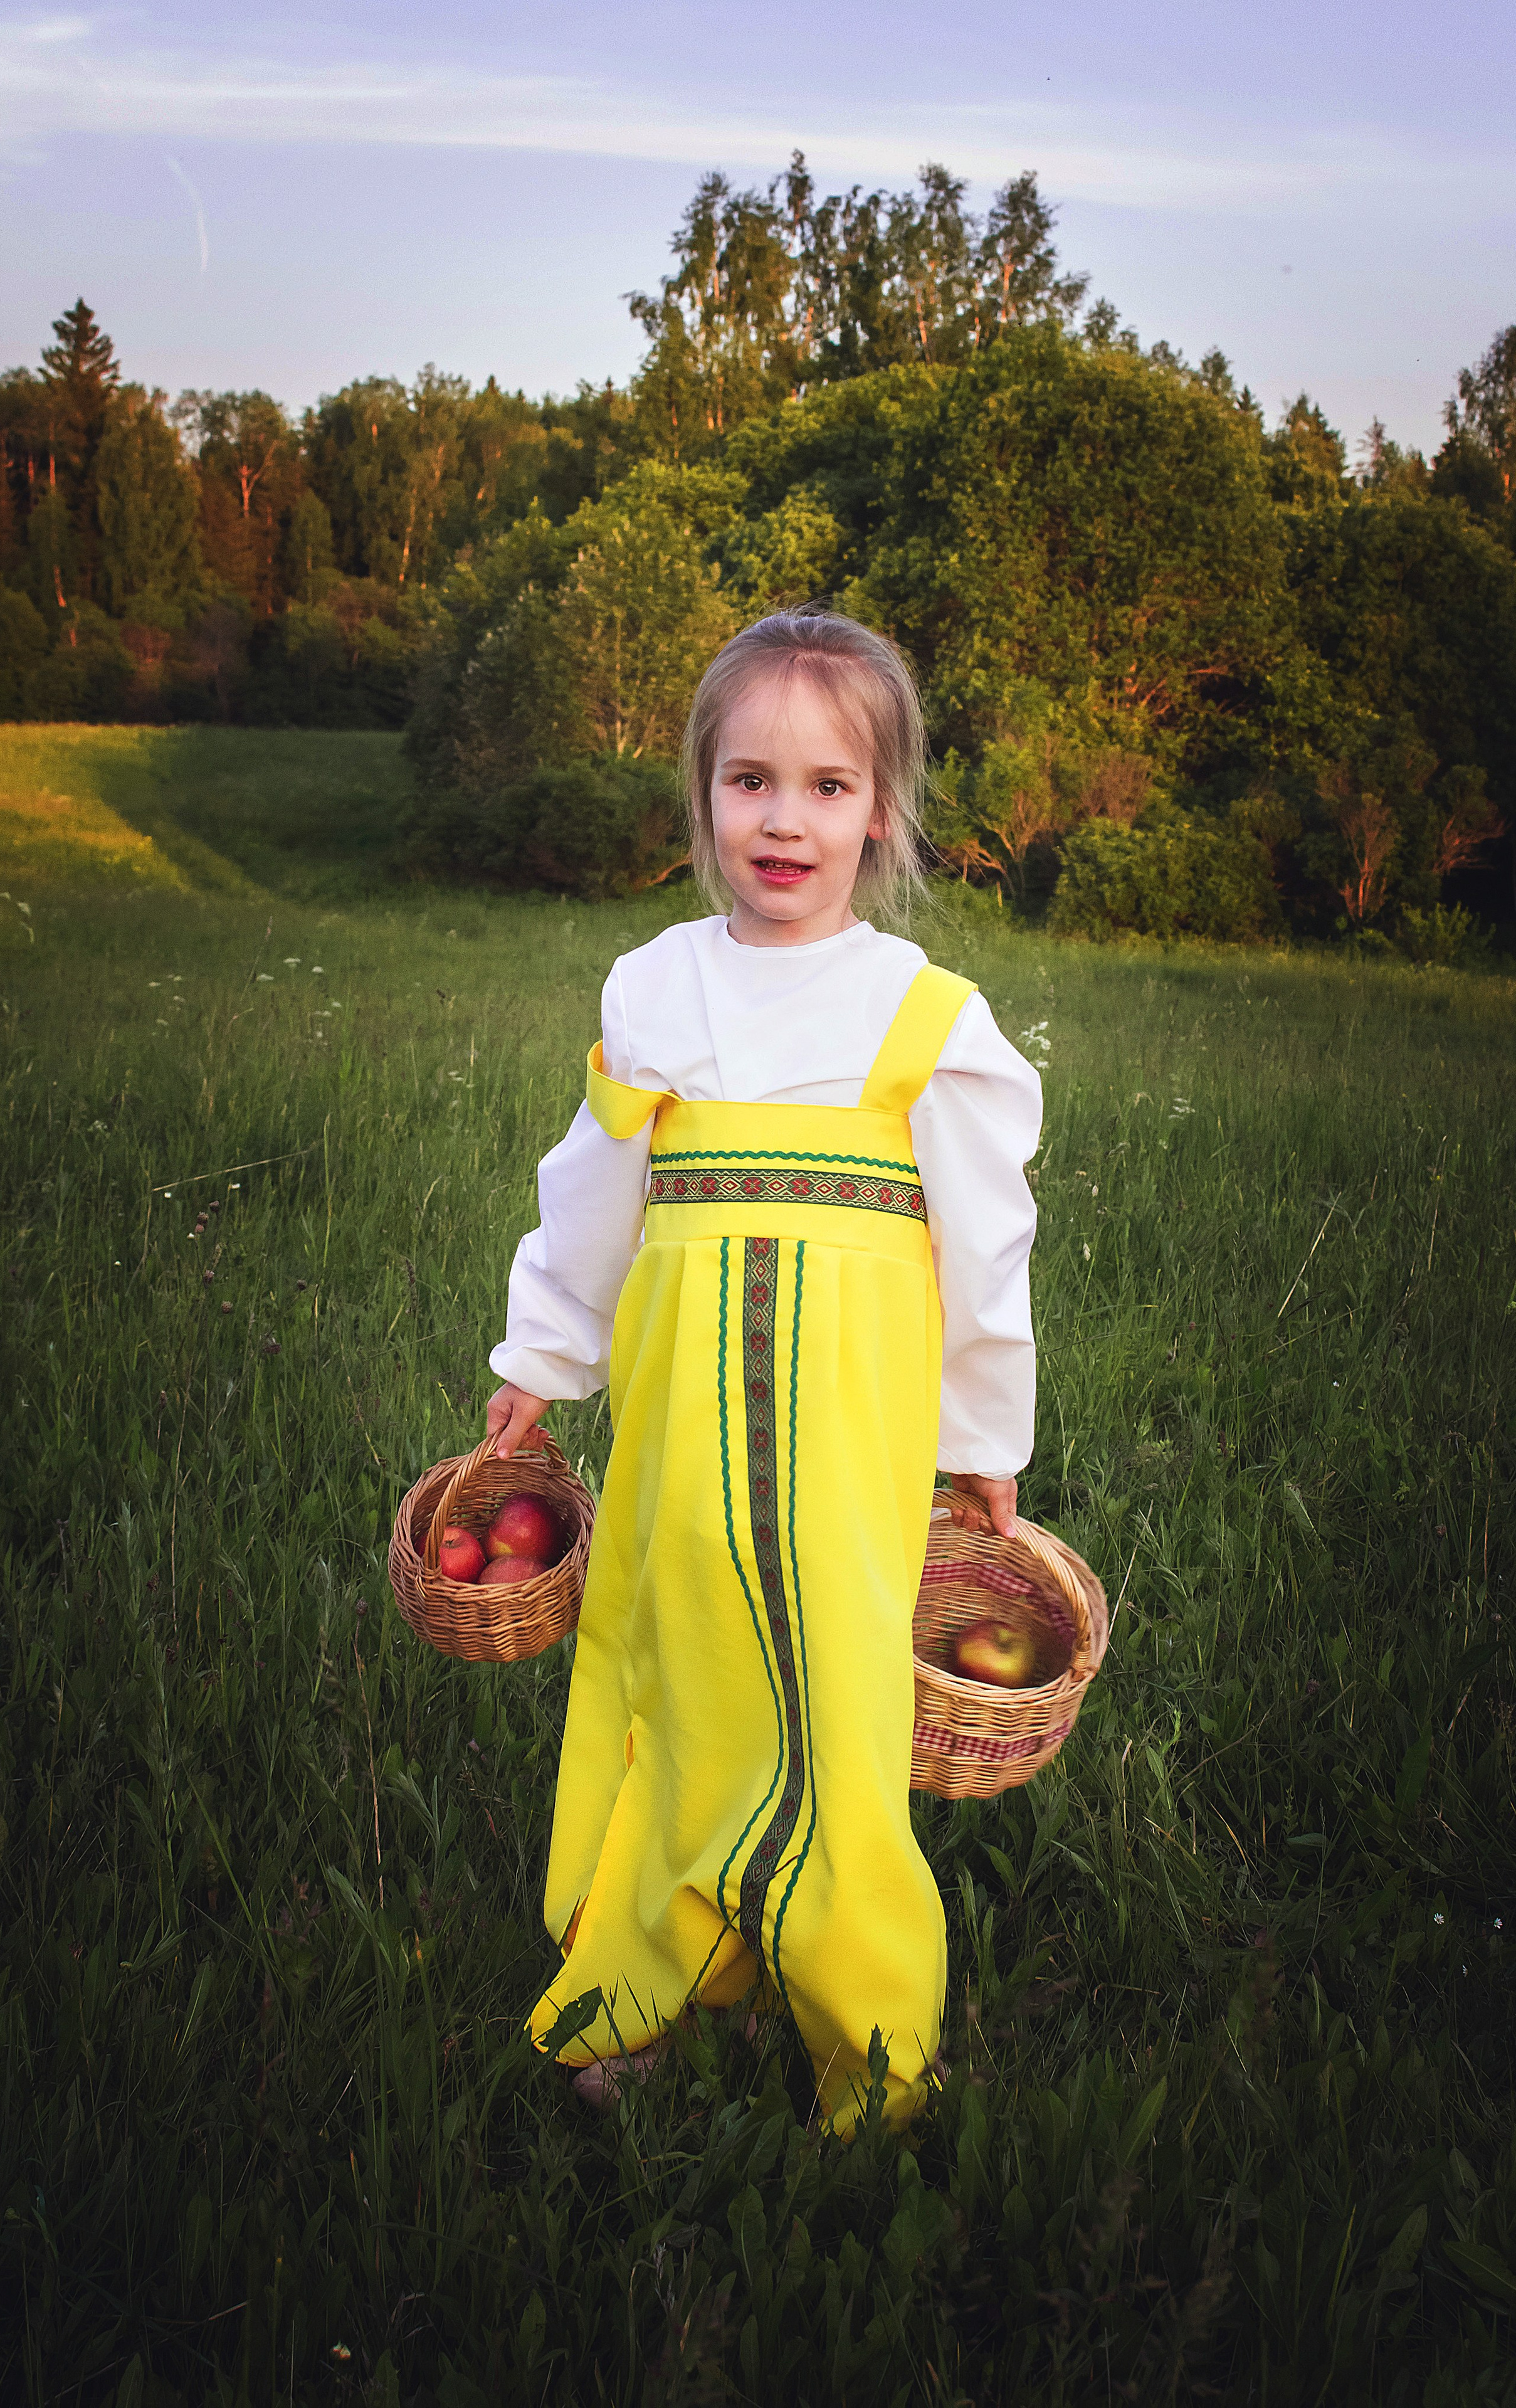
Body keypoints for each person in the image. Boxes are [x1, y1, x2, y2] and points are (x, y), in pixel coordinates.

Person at [485, 610, 1041, 2133]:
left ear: (881, 810)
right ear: (703, 798)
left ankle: (865, 2034)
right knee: (675, 1668)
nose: (783, 819)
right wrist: (541, 1354)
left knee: (835, 1692)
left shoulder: (924, 1017)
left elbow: (985, 1248)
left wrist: (982, 1432)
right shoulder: (655, 988)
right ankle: (640, 1975)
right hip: (676, 1421)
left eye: (826, 785)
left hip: (847, 1438)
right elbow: (592, 1189)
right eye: (748, 782)